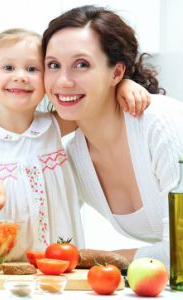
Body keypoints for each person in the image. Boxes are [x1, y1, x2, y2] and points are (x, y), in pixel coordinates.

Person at [0, 28, 149, 261]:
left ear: (45, 80)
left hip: (52, 258)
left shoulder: (55, 125)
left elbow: (97, 102)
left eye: (32, 69)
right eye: (8, 68)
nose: (20, 76)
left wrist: (123, 86)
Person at [40, 5, 183, 268]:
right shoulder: (73, 155)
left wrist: (93, 258)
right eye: (53, 65)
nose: (63, 81)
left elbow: (181, 249)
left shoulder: (161, 124)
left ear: (116, 72)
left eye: (81, 64)